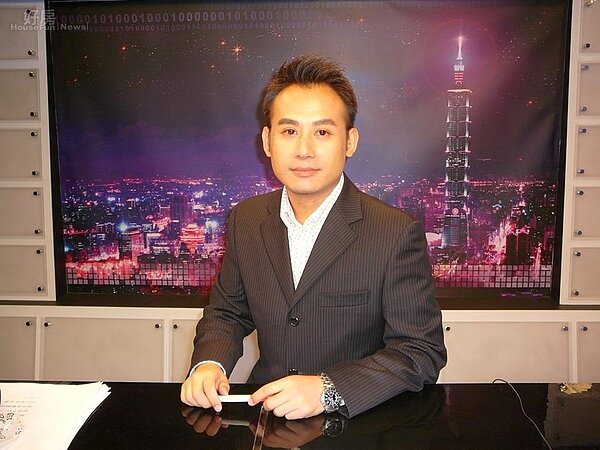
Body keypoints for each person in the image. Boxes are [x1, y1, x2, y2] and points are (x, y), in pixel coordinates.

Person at [180, 54, 446, 420]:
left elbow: (421, 351)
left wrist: (328, 389)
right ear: (267, 141)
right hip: (267, 417)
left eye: (322, 132)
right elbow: (228, 311)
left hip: (355, 423)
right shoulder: (247, 219)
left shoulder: (394, 233)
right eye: (289, 131)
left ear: (349, 141)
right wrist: (209, 364)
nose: (304, 150)